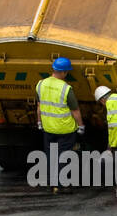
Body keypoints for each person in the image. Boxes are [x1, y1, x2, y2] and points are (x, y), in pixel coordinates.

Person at [36, 57, 84, 191]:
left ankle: (53, 183)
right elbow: (75, 111)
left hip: (48, 128)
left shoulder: (41, 84)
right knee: (64, 156)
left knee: (51, 155)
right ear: (64, 73)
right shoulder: (66, 88)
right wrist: (81, 126)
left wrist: (39, 122)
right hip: (65, 129)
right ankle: (63, 183)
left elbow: (39, 107)